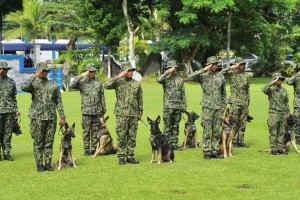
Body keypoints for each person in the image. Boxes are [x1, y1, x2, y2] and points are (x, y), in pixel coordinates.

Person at [21, 62, 66, 171]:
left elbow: (58, 102)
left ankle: (48, 163)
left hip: (51, 118)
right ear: (38, 71)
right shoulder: (34, 84)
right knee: (38, 142)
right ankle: (39, 164)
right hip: (37, 118)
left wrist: (62, 116)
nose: (44, 73)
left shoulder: (53, 85)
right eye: (42, 71)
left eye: (46, 71)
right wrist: (35, 76)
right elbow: (23, 87)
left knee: (49, 142)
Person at [188, 56, 227, 159]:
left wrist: (224, 105)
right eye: (212, 64)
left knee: (216, 130)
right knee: (207, 129)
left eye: (215, 64)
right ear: (208, 65)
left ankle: (214, 151)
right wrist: (203, 70)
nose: (214, 66)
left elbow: (223, 93)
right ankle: (206, 151)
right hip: (207, 107)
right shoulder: (203, 76)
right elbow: (190, 76)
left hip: (218, 107)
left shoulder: (220, 76)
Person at [104, 64, 143, 165]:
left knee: (132, 136)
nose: (130, 72)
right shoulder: (118, 82)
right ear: (123, 71)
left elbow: (140, 99)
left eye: (132, 71)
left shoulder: (136, 84)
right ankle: (121, 156)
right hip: (121, 113)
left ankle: (130, 156)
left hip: (133, 114)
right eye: (128, 70)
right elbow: (106, 85)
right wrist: (118, 76)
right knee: (121, 135)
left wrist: (140, 113)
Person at [69, 63, 106, 156]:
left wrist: (103, 109)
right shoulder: (82, 81)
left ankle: (93, 148)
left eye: (94, 71)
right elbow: (71, 85)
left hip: (97, 110)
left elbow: (102, 95)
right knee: (86, 131)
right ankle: (86, 149)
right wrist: (81, 75)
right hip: (86, 111)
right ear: (87, 72)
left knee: (95, 130)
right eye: (90, 71)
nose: (92, 73)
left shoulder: (98, 82)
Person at [157, 60, 187, 150]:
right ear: (168, 68)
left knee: (175, 125)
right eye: (172, 67)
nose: (174, 69)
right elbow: (158, 79)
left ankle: (174, 143)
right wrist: (168, 72)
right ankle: (166, 143)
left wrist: (184, 106)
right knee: (167, 125)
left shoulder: (180, 79)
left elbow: (183, 93)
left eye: (175, 67)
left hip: (178, 106)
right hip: (168, 105)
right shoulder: (165, 78)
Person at [221, 57, 250, 148]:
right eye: (240, 64)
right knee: (234, 123)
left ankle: (240, 141)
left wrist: (248, 102)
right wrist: (231, 67)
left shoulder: (246, 76)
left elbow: (247, 90)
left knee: (242, 123)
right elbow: (221, 73)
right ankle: (233, 141)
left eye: (243, 64)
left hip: (244, 102)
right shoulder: (231, 74)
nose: (242, 65)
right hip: (234, 102)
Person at [262, 73, 290, 155]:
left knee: (281, 132)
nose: (280, 81)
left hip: (283, 113)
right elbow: (263, 89)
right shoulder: (270, 89)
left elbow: (286, 102)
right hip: (274, 113)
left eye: (281, 79)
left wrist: (288, 112)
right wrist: (271, 82)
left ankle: (280, 148)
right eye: (278, 79)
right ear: (274, 80)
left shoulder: (284, 90)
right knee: (273, 131)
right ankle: (274, 148)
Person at [0, 61, 19, 161]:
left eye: (6, 69)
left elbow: (14, 97)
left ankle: (7, 153)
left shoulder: (11, 82)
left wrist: (16, 110)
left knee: (8, 133)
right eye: (3, 69)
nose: (4, 71)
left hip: (9, 111)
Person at [287, 67, 300, 144]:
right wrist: (297, 75)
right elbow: (288, 82)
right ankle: (298, 138)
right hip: (298, 104)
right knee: (297, 121)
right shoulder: (296, 78)